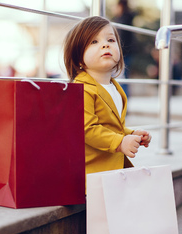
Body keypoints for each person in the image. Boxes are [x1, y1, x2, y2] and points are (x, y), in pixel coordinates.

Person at [63, 16, 151, 175]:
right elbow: (87, 129)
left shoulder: (115, 87)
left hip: (111, 173)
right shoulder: (81, 89)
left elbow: (109, 126)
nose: (105, 44)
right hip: (89, 176)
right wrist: (120, 142)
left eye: (111, 40)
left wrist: (130, 134)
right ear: (79, 58)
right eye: (94, 42)